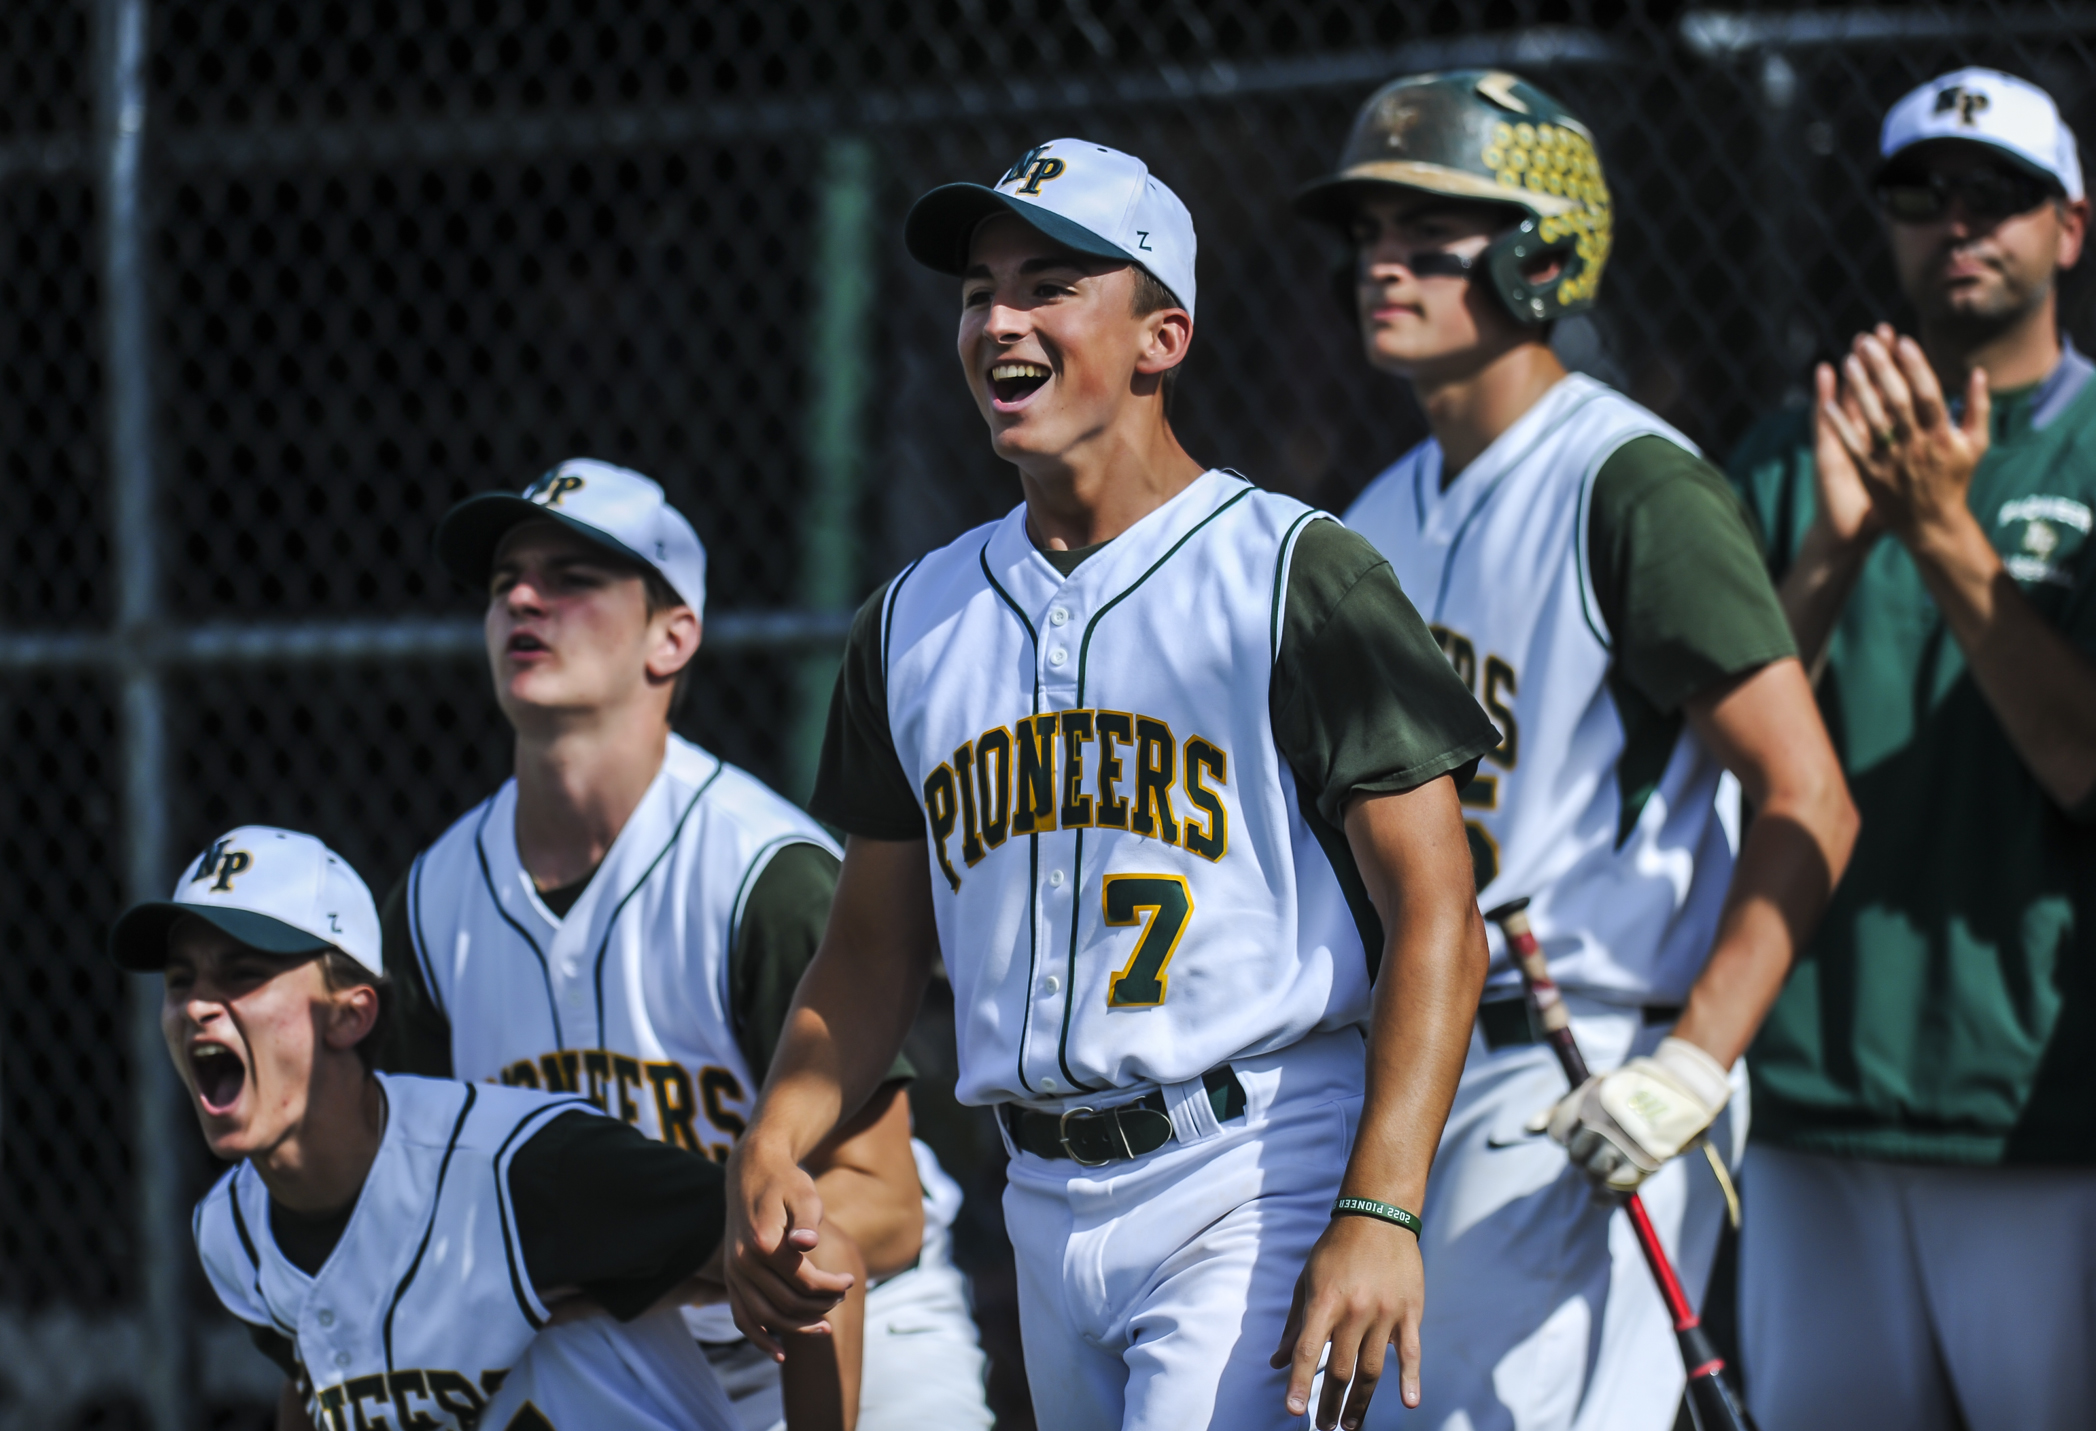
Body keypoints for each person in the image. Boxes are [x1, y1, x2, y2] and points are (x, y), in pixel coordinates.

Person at [724, 137, 1504, 1431]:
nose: (999, 319)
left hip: (1252, 1164)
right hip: (1041, 1197)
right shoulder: (912, 620)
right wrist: (778, 1126)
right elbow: (868, 953)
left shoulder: (1292, 571)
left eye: (1050, 283)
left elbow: (1439, 912)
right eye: (980, 289)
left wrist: (1380, 1203)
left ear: (1162, 336)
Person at [1293, 70, 1857, 1430]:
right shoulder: (1378, 509)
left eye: (1434, 231)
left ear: (1544, 250)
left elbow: (1811, 798)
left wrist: (1693, 1064)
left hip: (1584, 1064)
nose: (1384, 259)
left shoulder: (1629, 481)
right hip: (1417, 1060)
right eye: (1369, 228)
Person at [382, 458, 993, 1431]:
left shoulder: (759, 874)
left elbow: (888, 1204)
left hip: (857, 1343)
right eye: (505, 583)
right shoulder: (432, 901)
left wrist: (706, 1252)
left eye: (573, 578)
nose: (524, 599)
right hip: (606, 1352)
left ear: (672, 636)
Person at [1727, 67, 2096, 1431]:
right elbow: (1713, 760)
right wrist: (1831, 547)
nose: (1959, 220)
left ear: (2071, 227)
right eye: (1921, 193)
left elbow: (2082, 764)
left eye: (2000, 194)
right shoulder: (1787, 455)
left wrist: (1940, 530)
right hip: (1811, 1098)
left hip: (2033, 1114)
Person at [119, 824, 741, 1431]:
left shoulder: (516, 1169)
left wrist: (604, 1292)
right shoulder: (233, 1236)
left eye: (242, 975)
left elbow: (799, 1249)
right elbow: (313, 1387)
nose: (196, 1005)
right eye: (180, 981)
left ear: (351, 1014)